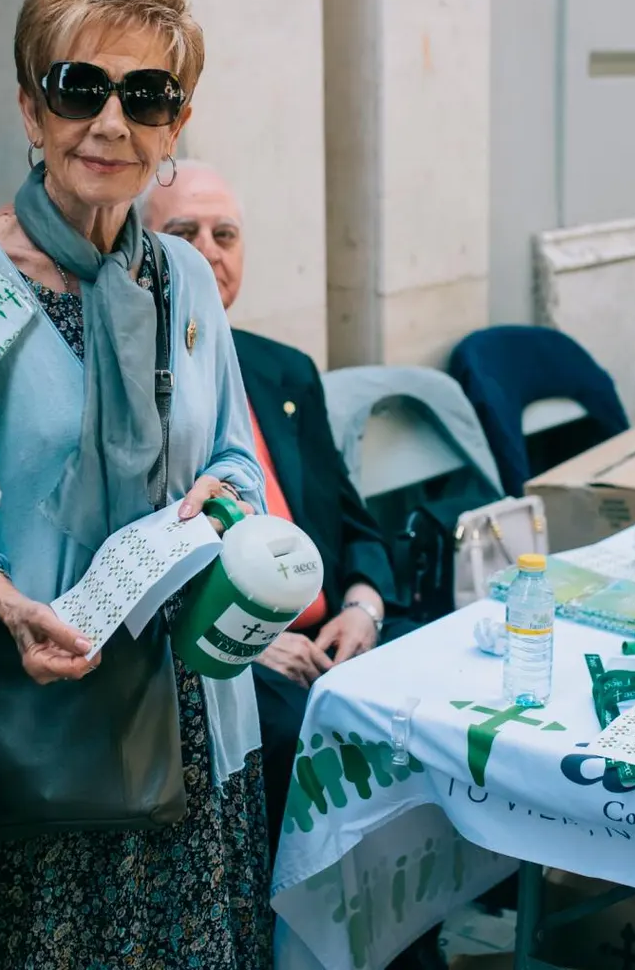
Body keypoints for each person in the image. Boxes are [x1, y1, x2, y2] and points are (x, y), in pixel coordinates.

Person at [0, 0, 272, 969]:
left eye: (147, 96)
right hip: (42, 715)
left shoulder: (187, 274)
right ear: (31, 106)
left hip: (199, 709)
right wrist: (11, 607)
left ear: (174, 124)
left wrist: (222, 508)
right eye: (81, 88)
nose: (112, 122)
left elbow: (237, 457)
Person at [141, 159, 396, 843]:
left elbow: (353, 519)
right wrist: (250, 645)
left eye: (225, 234)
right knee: (306, 738)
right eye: (184, 232)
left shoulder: (283, 368)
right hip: (222, 658)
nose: (209, 251)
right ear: (142, 250)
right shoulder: (138, 387)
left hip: (331, 638)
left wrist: (361, 608)